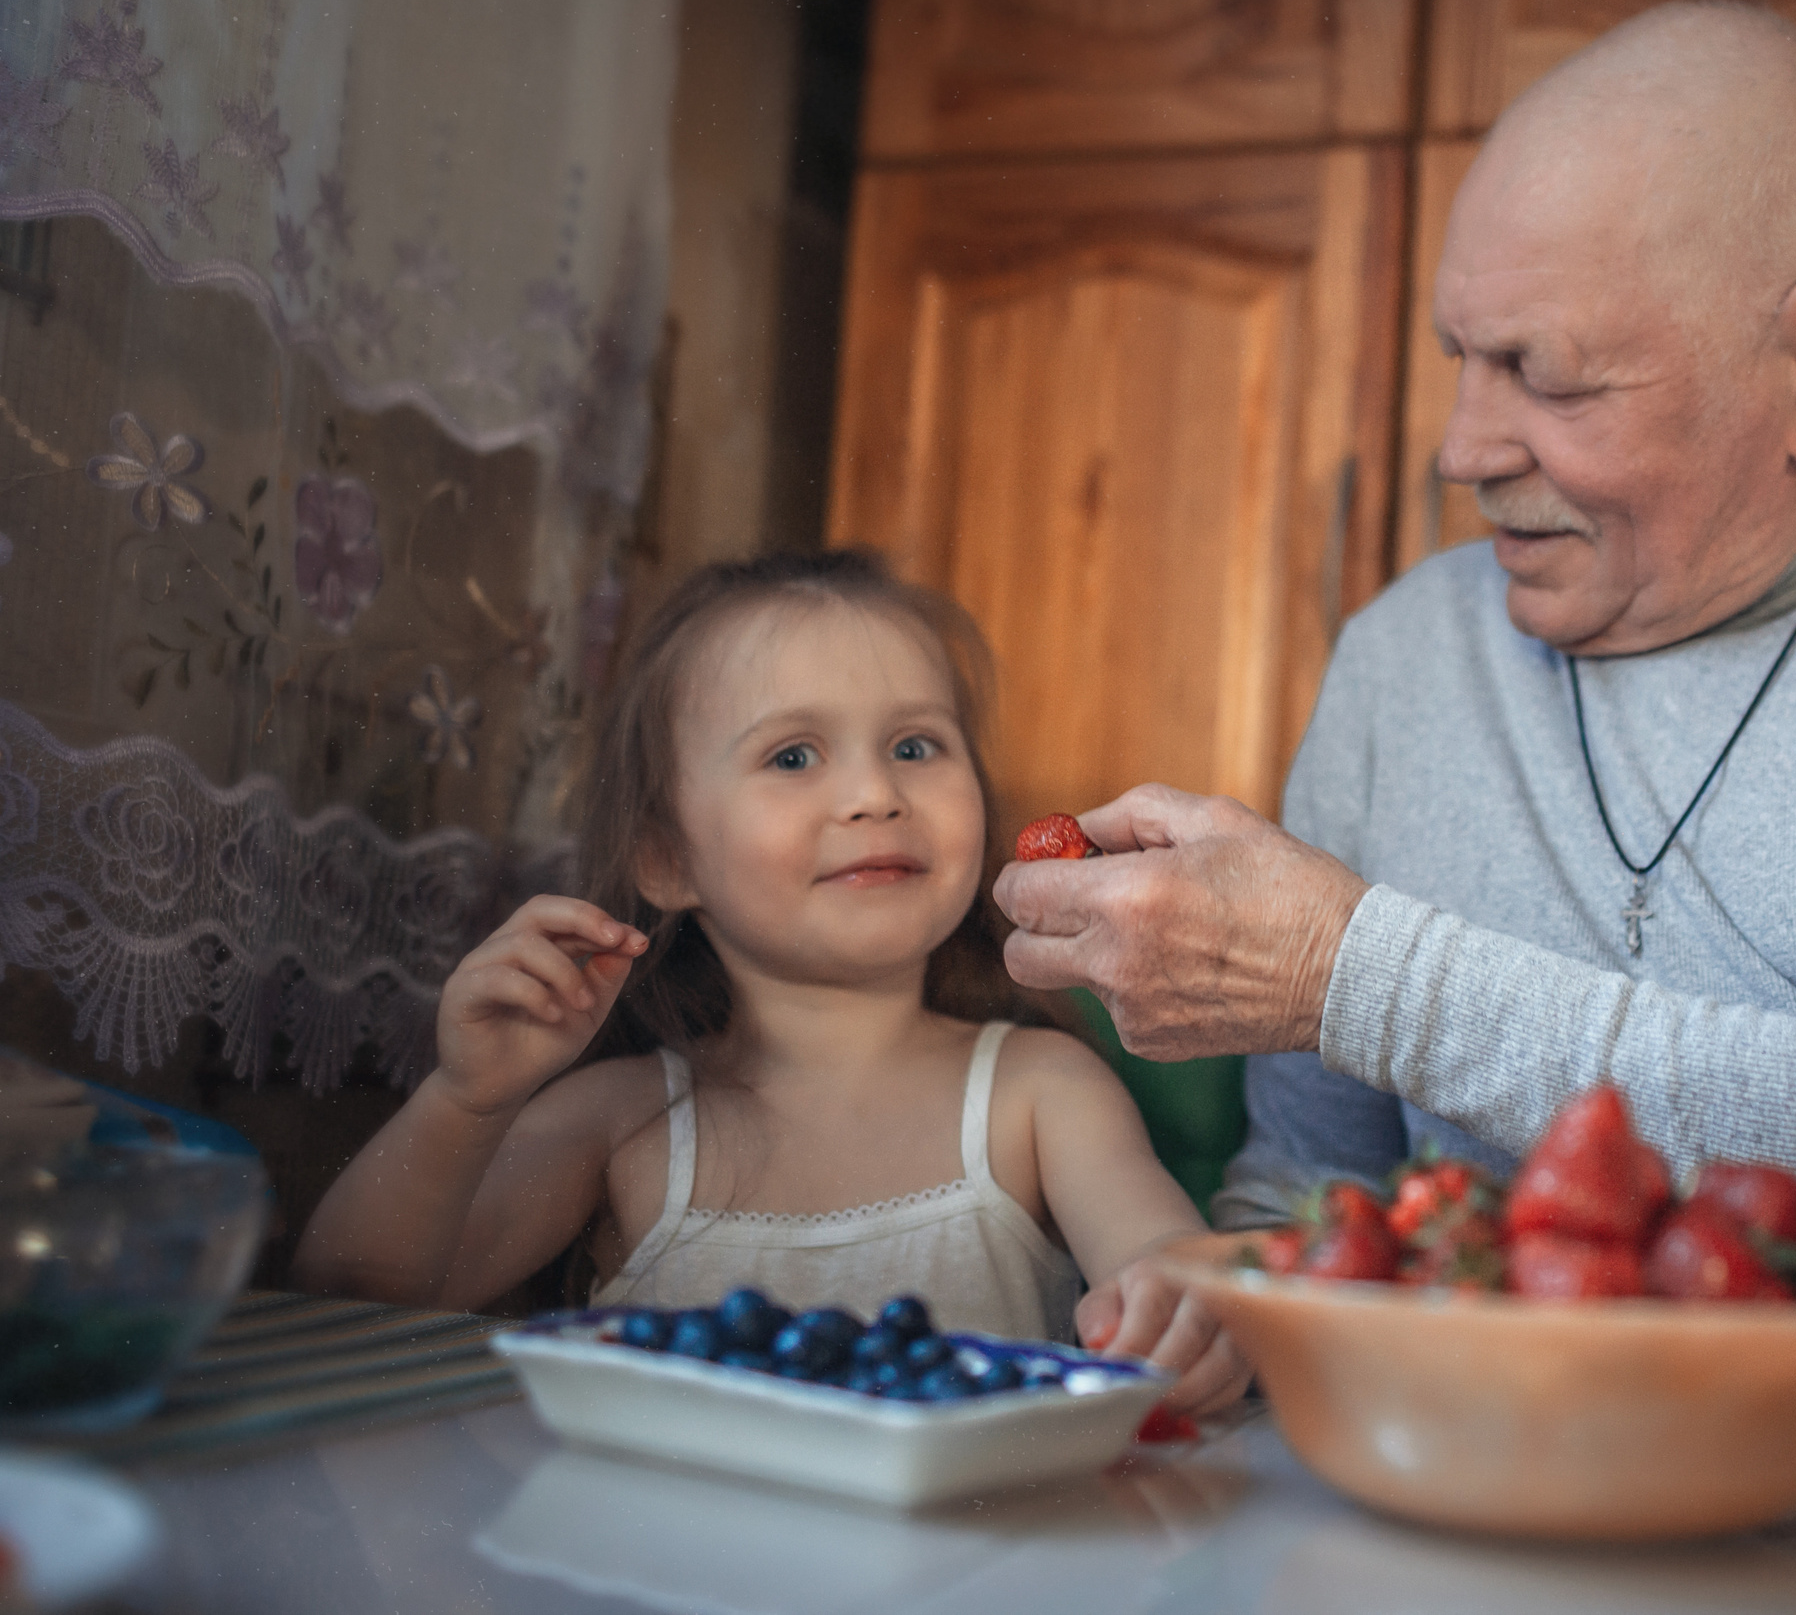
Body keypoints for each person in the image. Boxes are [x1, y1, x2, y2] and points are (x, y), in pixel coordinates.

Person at [994, 0, 1796, 1477]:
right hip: (1485, 1541)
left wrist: (1352, 971)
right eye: (1459, 360)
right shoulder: (1408, 652)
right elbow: (1312, 1182)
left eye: (1545, 375)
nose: (1462, 448)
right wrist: (1216, 1296)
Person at [294, 549, 1247, 1414]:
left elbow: (1172, 1274)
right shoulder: (618, 1120)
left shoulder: (1041, 1091)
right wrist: (467, 1100)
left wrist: (1195, 1313)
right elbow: (348, 1303)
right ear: (666, 857)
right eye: (793, 756)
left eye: (916, 745)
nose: (876, 793)